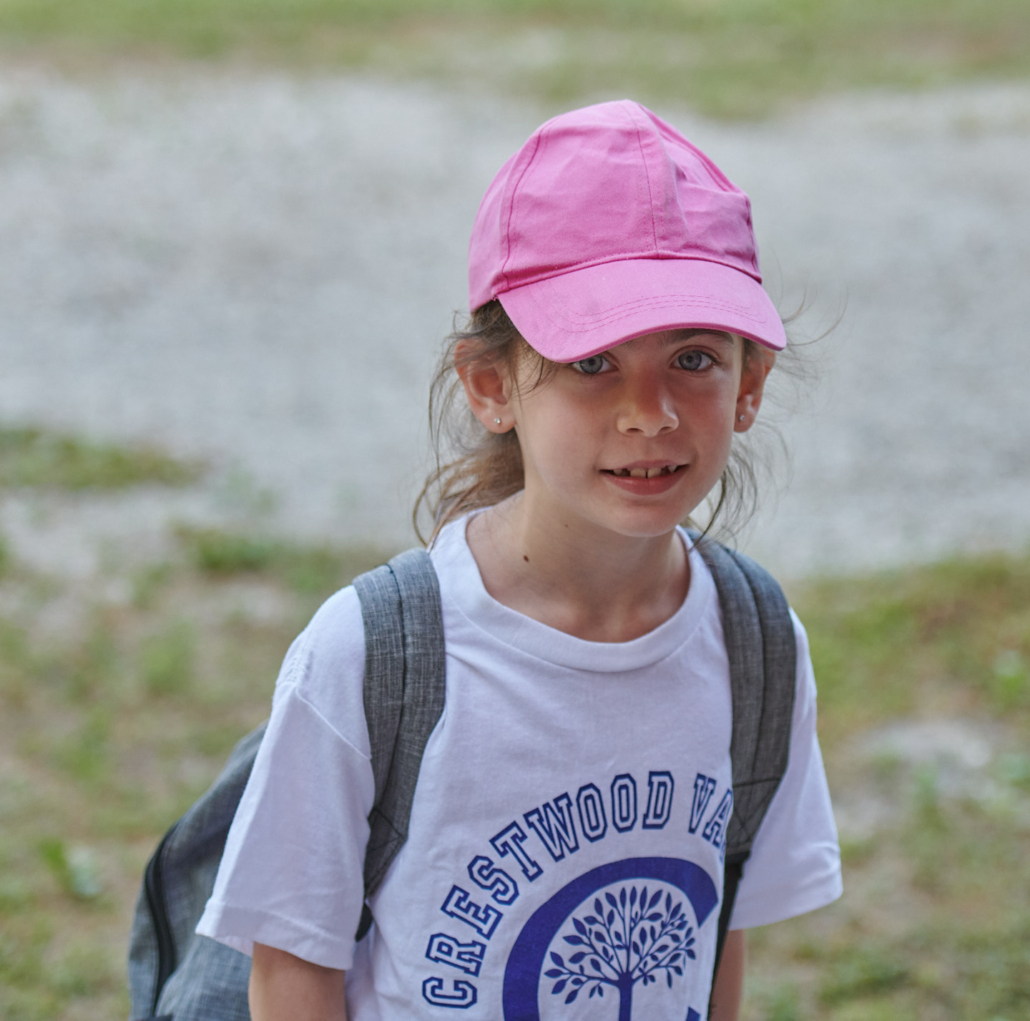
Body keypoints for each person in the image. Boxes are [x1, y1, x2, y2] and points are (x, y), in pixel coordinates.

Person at [196, 99, 842, 1021]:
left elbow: (711, 923)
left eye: (694, 357)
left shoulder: (754, 643)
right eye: (592, 363)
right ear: (492, 384)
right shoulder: (374, 655)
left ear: (751, 384)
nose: (650, 412)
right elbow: (291, 966)